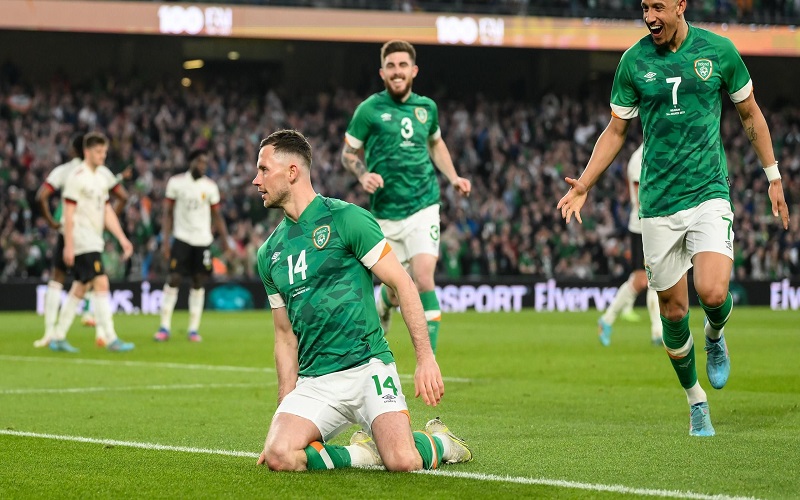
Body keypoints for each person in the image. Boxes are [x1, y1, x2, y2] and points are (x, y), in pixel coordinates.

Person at [557, 0, 789, 437]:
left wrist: (773, 176)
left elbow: (750, 113)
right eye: (644, 7)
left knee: (713, 292)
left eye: (658, 7)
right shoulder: (633, 62)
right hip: (658, 203)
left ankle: (715, 336)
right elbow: (616, 130)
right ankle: (695, 400)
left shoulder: (719, 51)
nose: (649, 17)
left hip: (708, 192)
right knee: (673, 310)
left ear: (681, 5)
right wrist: (585, 182)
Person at [253, 129, 472, 472]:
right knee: (280, 454)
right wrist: (285, 407)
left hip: (368, 367)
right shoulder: (269, 253)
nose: (256, 180)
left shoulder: (346, 219)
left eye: (264, 169)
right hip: (316, 380)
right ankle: (365, 454)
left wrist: (425, 358)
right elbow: (284, 336)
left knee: (403, 462)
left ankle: (441, 442)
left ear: (292, 172)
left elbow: (403, 283)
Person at [341, 40, 471, 354]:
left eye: (402, 65)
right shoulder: (369, 109)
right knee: (395, 289)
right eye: (391, 66)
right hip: (385, 213)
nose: (397, 71)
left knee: (423, 278)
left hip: (423, 205)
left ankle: (430, 365)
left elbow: (436, 144)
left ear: (413, 70)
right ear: (382, 73)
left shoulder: (427, 108)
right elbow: (348, 153)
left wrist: (453, 177)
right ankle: (385, 305)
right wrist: (363, 174)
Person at [34, 133, 129, 349]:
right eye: (99, 151)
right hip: (80, 237)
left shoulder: (99, 176)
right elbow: (69, 213)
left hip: (91, 237)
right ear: (86, 151)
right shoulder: (76, 176)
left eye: (104, 152)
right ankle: (109, 336)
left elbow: (106, 209)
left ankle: (57, 335)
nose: (103, 155)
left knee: (80, 285)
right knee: (100, 281)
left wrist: (122, 237)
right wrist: (69, 244)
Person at [154, 148, 232, 343]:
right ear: (191, 162)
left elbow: (217, 216)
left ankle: (193, 329)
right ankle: (164, 326)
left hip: (203, 241)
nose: (203, 166)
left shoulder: (210, 186)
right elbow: (167, 214)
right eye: (200, 162)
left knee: (198, 281)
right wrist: (165, 242)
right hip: (181, 238)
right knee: (174, 278)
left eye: (205, 163)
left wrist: (225, 242)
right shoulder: (176, 183)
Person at [597, 143, 662, 347]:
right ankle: (657, 332)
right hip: (643, 226)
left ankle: (607, 320)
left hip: (656, 224)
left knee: (645, 279)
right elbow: (640, 198)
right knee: (648, 279)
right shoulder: (639, 158)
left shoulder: (660, 149)